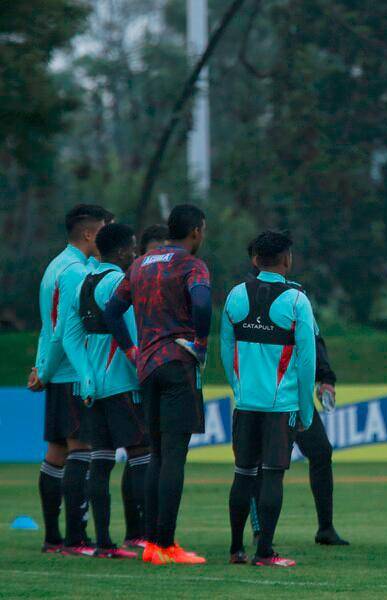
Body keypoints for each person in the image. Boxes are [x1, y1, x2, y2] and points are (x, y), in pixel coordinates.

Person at [103, 204, 211, 565]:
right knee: (174, 457)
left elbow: (111, 311)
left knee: (155, 456)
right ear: (196, 231)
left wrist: (132, 350)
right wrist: (201, 343)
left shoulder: (140, 264)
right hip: (178, 364)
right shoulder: (191, 265)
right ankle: (167, 545)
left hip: (147, 367)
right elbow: (202, 302)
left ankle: (151, 543)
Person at [241, 235, 349, 549]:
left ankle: (325, 528)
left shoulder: (295, 296)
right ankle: (260, 532)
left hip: (290, 393)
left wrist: (325, 377)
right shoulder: (243, 296)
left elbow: (312, 340)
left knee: (320, 451)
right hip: (260, 396)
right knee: (261, 465)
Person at [221, 230, 317, 567]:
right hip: (281, 406)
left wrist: (240, 388)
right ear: (287, 259)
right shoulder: (296, 301)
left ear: (255, 259)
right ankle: (265, 552)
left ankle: (236, 549)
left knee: (243, 474)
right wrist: (305, 410)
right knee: (272, 475)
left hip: (246, 404)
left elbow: (225, 349)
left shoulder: (234, 295)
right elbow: (307, 362)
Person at [62, 223, 150, 558]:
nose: (136, 254)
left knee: (100, 460)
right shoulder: (117, 281)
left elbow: (68, 334)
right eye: (133, 247)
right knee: (141, 452)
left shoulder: (83, 281)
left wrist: (84, 374)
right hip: (123, 382)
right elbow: (129, 331)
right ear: (122, 250)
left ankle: (103, 543)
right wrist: (143, 372)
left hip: (93, 386)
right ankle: (143, 535)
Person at [29, 204, 113, 555]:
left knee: (57, 450)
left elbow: (47, 326)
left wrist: (40, 367)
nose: (109, 236)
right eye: (106, 229)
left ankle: (53, 538)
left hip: (56, 370)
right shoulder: (76, 272)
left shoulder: (55, 266)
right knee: (82, 449)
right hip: (74, 372)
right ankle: (76, 539)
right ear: (90, 234)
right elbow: (65, 329)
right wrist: (48, 370)